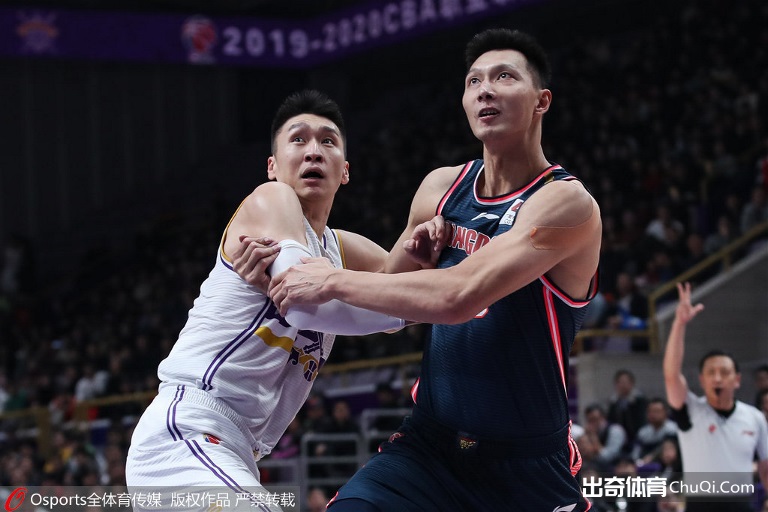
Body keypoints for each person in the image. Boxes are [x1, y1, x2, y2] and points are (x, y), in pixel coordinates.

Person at [261, 28, 602, 511]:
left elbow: (458, 297)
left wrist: (331, 278)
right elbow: (389, 297)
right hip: (428, 448)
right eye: (473, 81)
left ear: (541, 101)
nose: (485, 90)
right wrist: (278, 257)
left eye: (504, 77)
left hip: (525, 469)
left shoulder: (566, 203)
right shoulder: (441, 188)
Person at [125, 90, 434, 510]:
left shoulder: (340, 248)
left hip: (234, 450)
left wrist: (433, 236)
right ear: (272, 166)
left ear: (345, 170)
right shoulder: (270, 199)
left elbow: (411, 290)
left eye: (328, 141)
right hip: (189, 430)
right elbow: (307, 303)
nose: (314, 151)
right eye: (298, 139)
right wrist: (405, 308)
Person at [662, 282, 768, 511]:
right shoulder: (689, 409)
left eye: (724, 372)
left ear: (737, 379)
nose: (717, 378)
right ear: (701, 380)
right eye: (711, 373)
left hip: (741, 504)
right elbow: (671, 375)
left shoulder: (755, 417)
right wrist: (679, 324)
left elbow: (765, 467)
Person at [630, 398, 677, 465]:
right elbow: (636, 450)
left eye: (657, 411)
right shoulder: (643, 432)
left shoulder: (673, 429)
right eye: (650, 411)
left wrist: (652, 457)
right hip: (644, 462)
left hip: (665, 463)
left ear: (666, 412)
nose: (653, 414)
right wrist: (635, 461)